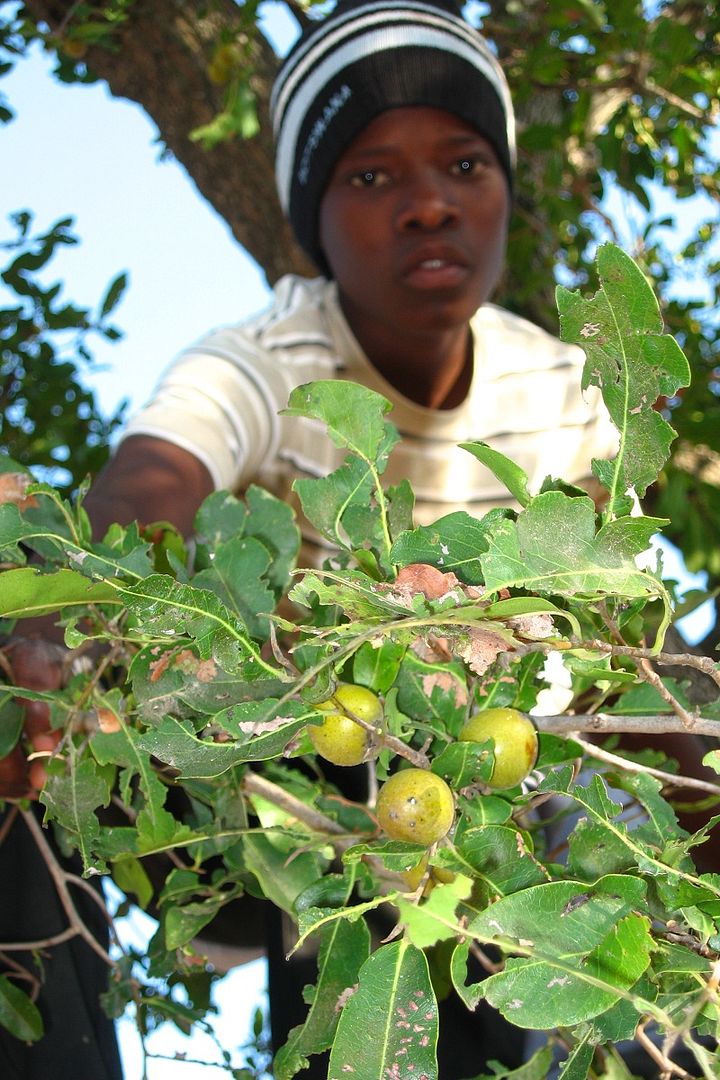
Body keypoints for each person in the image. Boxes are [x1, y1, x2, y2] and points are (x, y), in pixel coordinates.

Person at [3, 1, 708, 1076]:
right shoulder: (261, 359)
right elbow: (151, 485)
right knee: (24, 711)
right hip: (267, 795)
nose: (428, 204)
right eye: (371, 176)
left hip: (525, 797)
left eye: (465, 164)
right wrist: (65, 619)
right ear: (313, 222)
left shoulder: (567, 388)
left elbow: (626, 654)